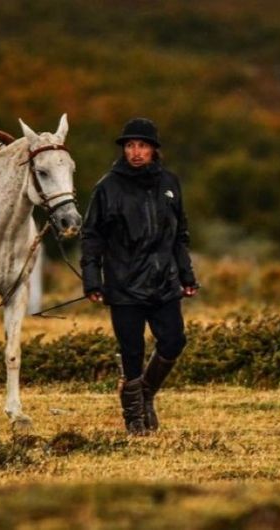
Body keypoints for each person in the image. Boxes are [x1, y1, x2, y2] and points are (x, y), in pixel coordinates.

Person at [80, 117, 199, 435]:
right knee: (132, 352)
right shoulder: (107, 186)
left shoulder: (170, 183)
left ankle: (145, 392)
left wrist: (186, 276)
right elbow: (92, 236)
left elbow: (179, 235)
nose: (135, 152)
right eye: (130, 145)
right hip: (123, 283)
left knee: (174, 341)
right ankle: (134, 418)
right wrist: (92, 279)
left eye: (142, 146)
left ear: (154, 150)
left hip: (164, 281)